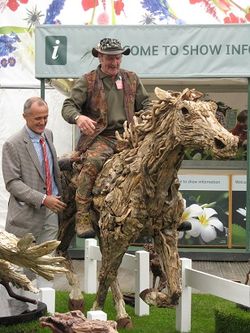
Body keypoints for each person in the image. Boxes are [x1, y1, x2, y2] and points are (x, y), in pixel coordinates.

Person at [61, 37, 151, 238]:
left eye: (118, 58)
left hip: (129, 137)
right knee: (91, 164)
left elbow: (147, 104)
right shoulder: (87, 81)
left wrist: (144, 118)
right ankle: (83, 215)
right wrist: (78, 117)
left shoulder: (131, 79)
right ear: (100, 57)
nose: (115, 63)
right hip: (101, 137)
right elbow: (68, 106)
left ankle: (164, 211)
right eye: (110, 58)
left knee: (155, 162)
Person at [2, 97, 66, 302]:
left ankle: (47, 307)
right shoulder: (12, 144)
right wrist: (42, 199)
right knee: (21, 266)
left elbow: (45, 166)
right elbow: (12, 183)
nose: (42, 122)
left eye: (46, 117)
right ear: (25, 117)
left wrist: (67, 162)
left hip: (51, 212)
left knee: (47, 262)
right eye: (38, 118)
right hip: (25, 217)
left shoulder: (48, 135)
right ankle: (17, 307)